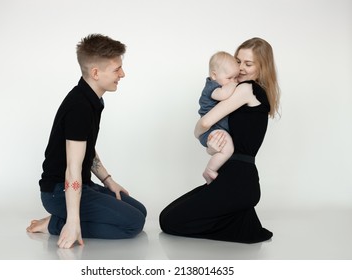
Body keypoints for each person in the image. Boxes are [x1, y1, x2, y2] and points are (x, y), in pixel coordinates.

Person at [27, 34, 147, 249]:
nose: (123, 74)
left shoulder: (92, 99)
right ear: (95, 73)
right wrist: (73, 222)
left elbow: (86, 149)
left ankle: (66, 219)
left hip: (83, 185)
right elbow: (72, 169)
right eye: (116, 69)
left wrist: (108, 181)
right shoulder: (79, 107)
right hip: (58, 192)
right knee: (133, 224)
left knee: (140, 211)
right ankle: (56, 224)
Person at [160, 37, 280, 243]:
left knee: (168, 221)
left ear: (263, 67)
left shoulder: (246, 89)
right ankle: (238, 218)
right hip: (235, 178)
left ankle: (238, 223)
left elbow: (205, 123)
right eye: (238, 61)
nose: (241, 68)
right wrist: (211, 147)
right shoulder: (253, 91)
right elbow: (229, 143)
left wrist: (197, 133)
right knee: (169, 215)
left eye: (248, 64)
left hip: (238, 181)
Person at [198, 51, 239, 184]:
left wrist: (230, 82)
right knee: (228, 149)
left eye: (236, 77)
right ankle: (210, 170)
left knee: (227, 150)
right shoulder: (212, 87)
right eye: (229, 78)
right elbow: (223, 95)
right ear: (214, 75)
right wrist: (234, 85)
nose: (233, 81)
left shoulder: (221, 83)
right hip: (211, 130)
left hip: (215, 128)